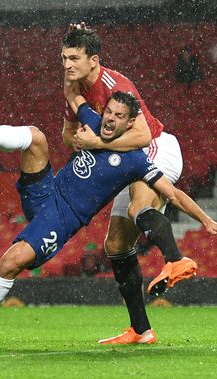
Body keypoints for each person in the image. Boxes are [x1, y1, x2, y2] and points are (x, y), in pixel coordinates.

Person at [0, 91, 217, 348]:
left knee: (9, 263)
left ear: (130, 124)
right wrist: (74, 49)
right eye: (109, 111)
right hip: (46, 192)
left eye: (119, 115)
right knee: (36, 138)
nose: (110, 118)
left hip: (62, 219)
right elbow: (74, 96)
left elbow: (174, 194)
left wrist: (206, 220)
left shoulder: (136, 161)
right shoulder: (92, 123)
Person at [61, 26, 193, 342]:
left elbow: (143, 135)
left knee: (138, 206)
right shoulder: (76, 94)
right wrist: (78, 141)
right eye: (64, 58)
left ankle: (176, 261)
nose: (67, 64)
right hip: (126, 159)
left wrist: (97, 144)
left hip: (156, 147)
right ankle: (141, 330)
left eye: (74, 58)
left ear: (93, 60)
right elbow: (68, 136)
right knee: (116, 245)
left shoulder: (115, 85)